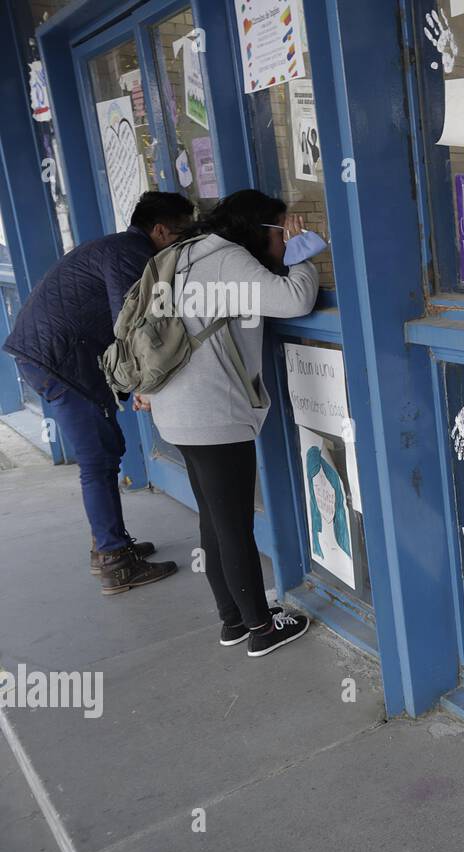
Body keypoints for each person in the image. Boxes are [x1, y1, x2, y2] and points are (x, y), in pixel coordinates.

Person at [144, 189, 322, 658]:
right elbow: (295, 299)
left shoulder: (186, 252)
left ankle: (233, 620)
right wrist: (304, 254)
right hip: (211, 413)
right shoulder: (226, 259)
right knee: (234, 525)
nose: (286, 240)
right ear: (262, 230)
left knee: (215, 518)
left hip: (177, 409)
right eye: (283, 230)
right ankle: (262, 630)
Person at [3, 191, 194, 594]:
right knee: (97, 459)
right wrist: (145, 386)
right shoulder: (132, 255)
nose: (185, 242)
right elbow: (133, 324)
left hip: (52, 354)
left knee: (105, 451)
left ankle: (112, 545)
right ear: (160, 230)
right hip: (60, 359)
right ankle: (113, 560)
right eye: (183, 232)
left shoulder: (120, 246)